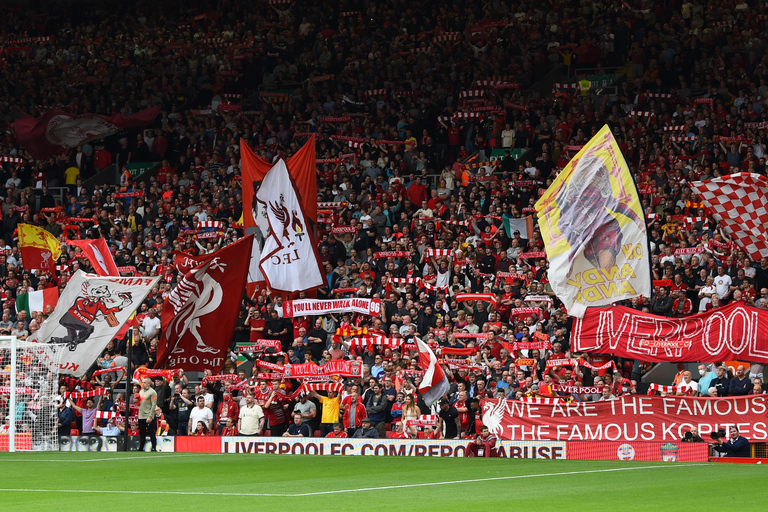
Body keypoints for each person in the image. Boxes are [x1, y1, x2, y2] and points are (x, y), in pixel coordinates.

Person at [137, 377, 158, 451]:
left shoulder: (153, 392)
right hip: (141, 415)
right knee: (142, 433)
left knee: (151, 432)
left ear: (149, 384)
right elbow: (138, 403)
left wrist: (150, 416)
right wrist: (135, 400)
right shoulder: (141, 391)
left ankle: (154, 447)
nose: (143, 384)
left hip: (148, 415)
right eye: (142, 382)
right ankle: (141, 447)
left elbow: (153, 405)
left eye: (144, 382)